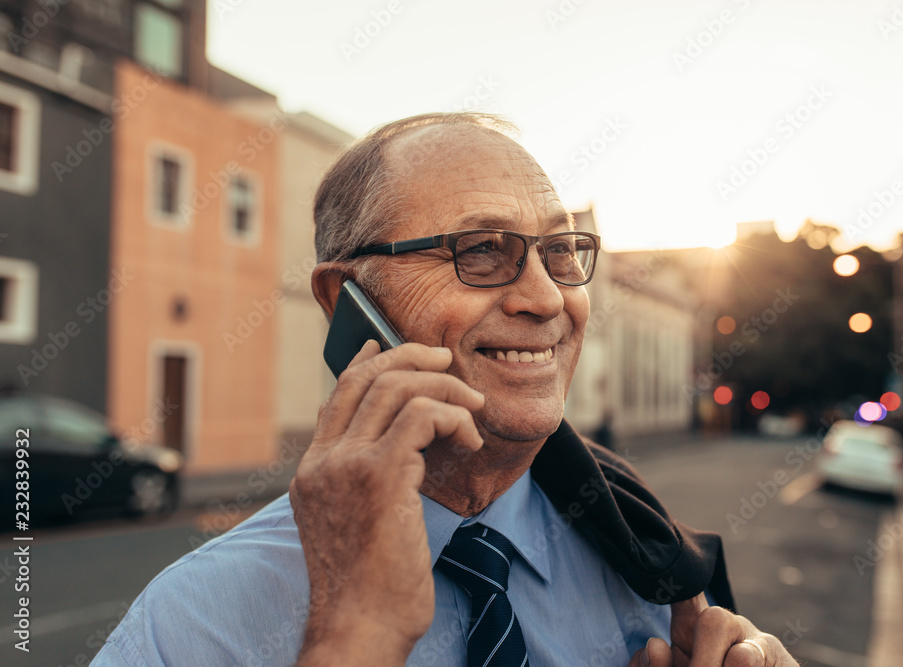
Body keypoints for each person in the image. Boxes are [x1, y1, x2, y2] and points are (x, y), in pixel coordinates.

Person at [94, 113, 797, 666]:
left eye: (560, 250)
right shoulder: (192, 624)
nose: (546, 296)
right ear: (347, 298)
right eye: (482, 250)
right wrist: (355, 637)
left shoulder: (653, 567)